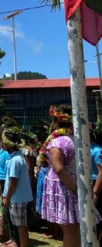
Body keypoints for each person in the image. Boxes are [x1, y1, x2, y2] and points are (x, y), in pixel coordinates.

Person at [41, 105, 101, 246]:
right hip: (76, 183)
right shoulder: (81, 141)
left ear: (56, 122)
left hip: (64, 188)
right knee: (76, 228)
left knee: (70, 230)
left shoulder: (58, 142)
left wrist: (75, 189)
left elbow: (59, 169)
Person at [1, 128, 33, 247]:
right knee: (17, 223)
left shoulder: (15, 160)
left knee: (20, 225)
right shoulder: (16, 157)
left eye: (4, 142)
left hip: (17, 197)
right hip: (17, 197)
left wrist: (7, 197)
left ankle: (24, 244)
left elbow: (13, 182)